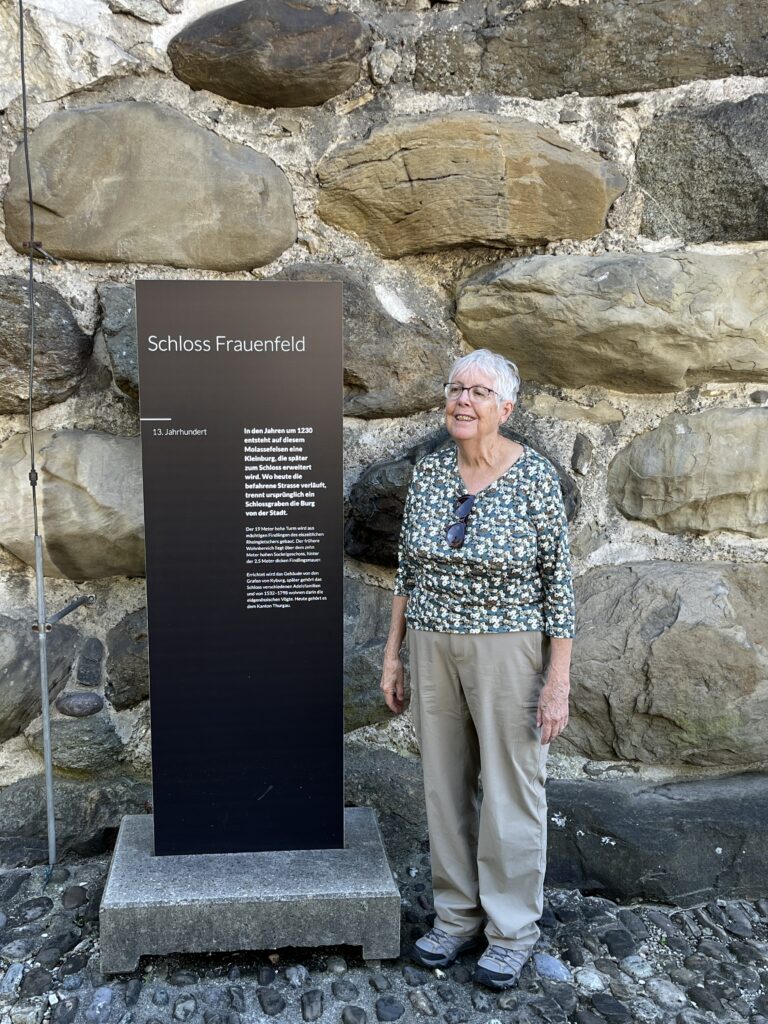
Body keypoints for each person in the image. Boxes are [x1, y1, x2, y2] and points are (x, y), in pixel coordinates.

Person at [380, 348, 575, 990]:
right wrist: (393, 655)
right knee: (444, 784)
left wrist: (557, 681)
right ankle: (456, 916)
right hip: (432, 641)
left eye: (479, 392)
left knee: (513, 789)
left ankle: (512, 930)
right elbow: (407, 571)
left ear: (506, 408)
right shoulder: (431, 472)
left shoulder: (534, 477)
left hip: (508, 647)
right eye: (455, 389)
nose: (462, 400)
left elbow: (558, 586)